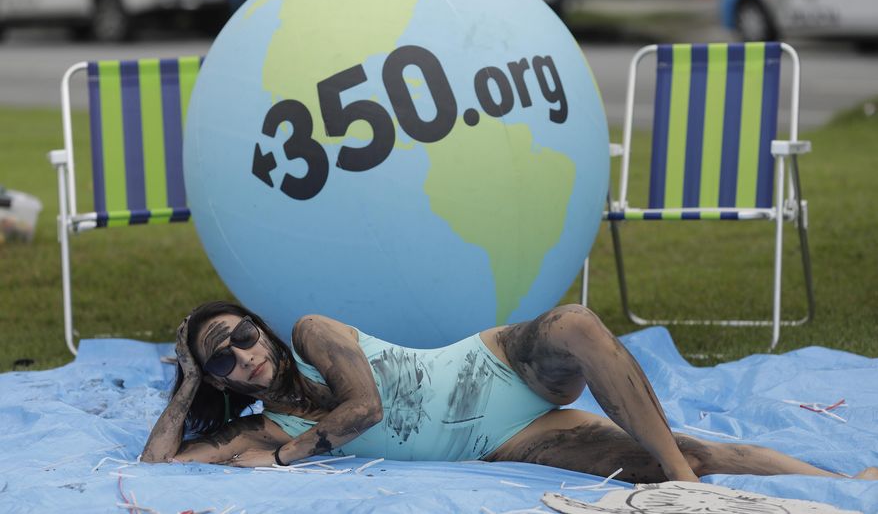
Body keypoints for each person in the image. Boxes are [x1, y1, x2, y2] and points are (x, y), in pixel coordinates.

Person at [142, 301, 878, 483]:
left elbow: (365, 409)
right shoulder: (257, 427)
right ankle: (829, 482)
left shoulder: (311, 333)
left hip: (488, 366)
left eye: (242, 335)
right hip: (499, 440)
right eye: (221, 360)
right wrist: (182, 385)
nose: (243, 356)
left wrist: (293, 451)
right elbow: (157, 469)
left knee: (577, 324)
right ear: (215, 378)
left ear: (263, 331)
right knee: (676, 452)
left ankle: (688, 493)